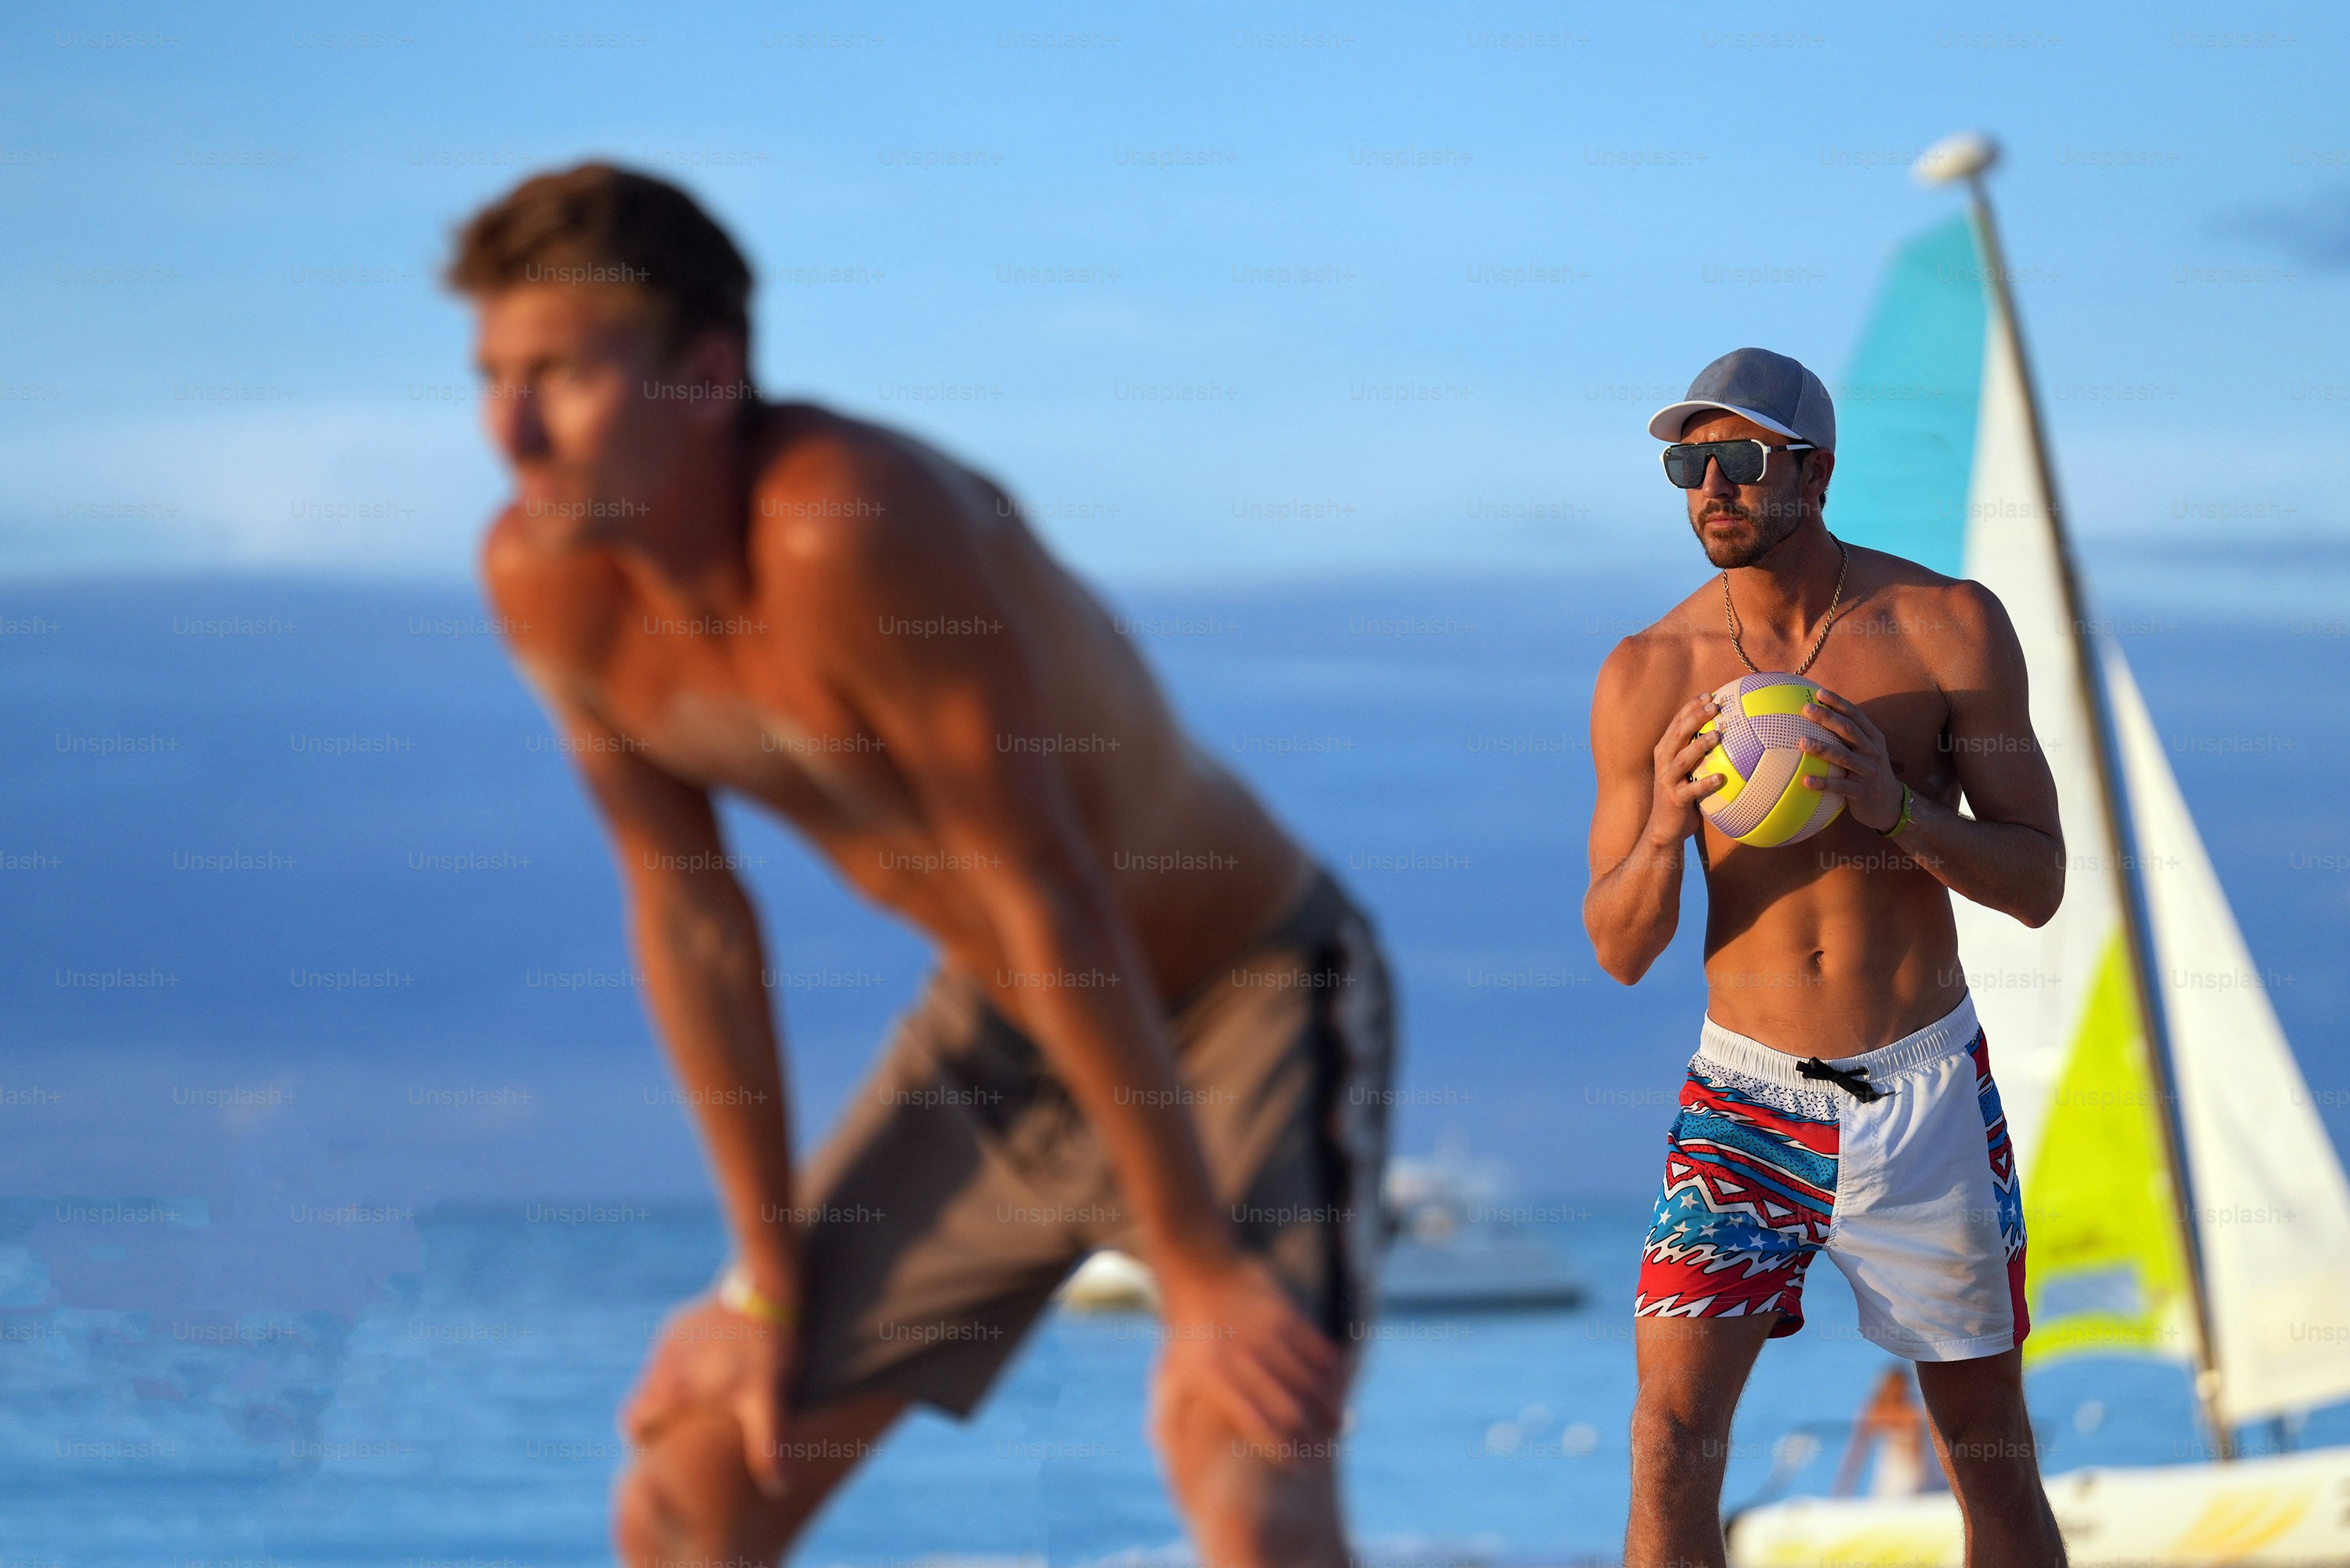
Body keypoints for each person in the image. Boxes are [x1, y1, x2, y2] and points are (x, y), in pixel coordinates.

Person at [446, 164, 1393, 1567]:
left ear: (707, 376)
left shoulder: (851, 522)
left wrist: (1196, 1267)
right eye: (491, 375)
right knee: (689, 1498)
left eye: (566, 376)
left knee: (1247, 1470)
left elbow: (1043, 879)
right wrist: (765, 1285)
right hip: (1015, 1015)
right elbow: (691, 918)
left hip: (1240, 983)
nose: (513, 430)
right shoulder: (547, 581)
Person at [1583, 347, 2069, 1567]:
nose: (1710, 490)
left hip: (1922, 1091)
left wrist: (1897, 810)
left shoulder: (1946, 626)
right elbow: (1618, 949)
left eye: (1737, 461)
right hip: (1745, 1100)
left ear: (1816, 470)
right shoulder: (1649, 671)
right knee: (1669, 1441)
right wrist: (1658, 825)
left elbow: (2040, 882)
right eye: (1686, 465)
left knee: (1988, 1458)